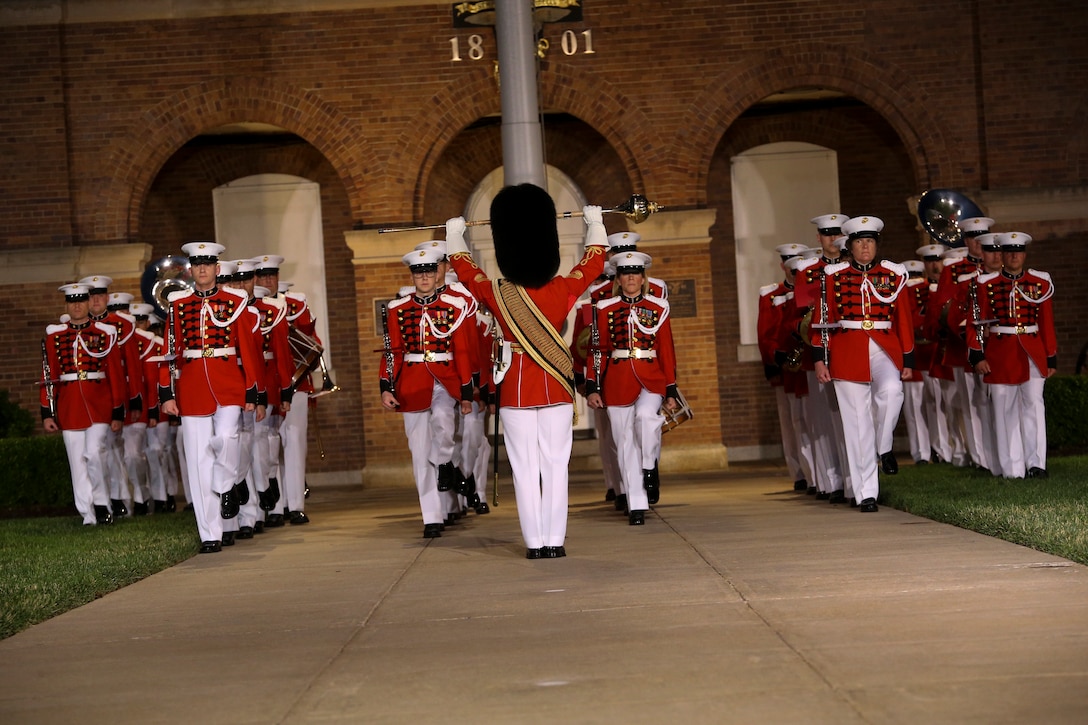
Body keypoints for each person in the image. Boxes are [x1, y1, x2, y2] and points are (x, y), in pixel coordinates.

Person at [445, 184, 608, 559]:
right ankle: (555, 541)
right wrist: (594, 225)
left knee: (524, 468)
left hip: (516, 385)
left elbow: (467, 273)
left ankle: (534, 543)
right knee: (555, 467)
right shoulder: (562, 289)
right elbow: (593, 265)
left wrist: (455, 235)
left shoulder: (498, 292)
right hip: (554, 385)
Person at [158, 242, 264, 553]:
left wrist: (253, 391)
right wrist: (166, 392)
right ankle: (210, 535)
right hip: (191, 387)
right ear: (191, 271)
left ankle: (226, 484)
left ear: (217, 270)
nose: (203, 269)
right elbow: (168, 351)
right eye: (197, 264)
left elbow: (248, 349)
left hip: (229, 383)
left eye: (208, 264)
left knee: (229, 437)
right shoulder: (177, 306)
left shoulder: (235, 301)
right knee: (198, 459)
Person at [813, 216, 914, 513]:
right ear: (851, 245)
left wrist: (908, 358)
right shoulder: (833, 274)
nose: (865, 246)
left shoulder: (894, 273)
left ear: (877, 244)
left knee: (893, 391)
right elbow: (824, 317)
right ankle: (866, 493)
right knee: (856, 425)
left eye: (869, 240)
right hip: (847, 347)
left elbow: (903, 318)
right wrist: (820, 358)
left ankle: (884, 447)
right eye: (859, 241)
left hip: (884, 345)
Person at [380, 247, 475, 538]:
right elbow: (392, 351)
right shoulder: (397, 309)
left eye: (429, 272)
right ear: (412, 276)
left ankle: (446, 462)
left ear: (438, 274)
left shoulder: (452, 306)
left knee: (445, 427)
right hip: (411, 382)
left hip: (445, 379)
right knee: (419, 452)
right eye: (418, 273)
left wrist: (467, 393)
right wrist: (386, 386)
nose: (424, 277)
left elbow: (461, 351)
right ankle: (431, 517)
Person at [585, 251, 679, 525]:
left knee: (647, 419)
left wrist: (671, 388)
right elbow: (597, 350)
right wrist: (593, 385)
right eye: (626, 274)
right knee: (624, 442)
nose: (631, 278)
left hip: (651, 376)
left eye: (636, 273)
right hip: (616, 379)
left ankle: (650, 467)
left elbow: (666, 349)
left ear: (643, 277)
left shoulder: (659, 307)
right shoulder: (604, 308)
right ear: (618, 278)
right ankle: (636, 503)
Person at [968, 232, 1056, 479]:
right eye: (1009, 252)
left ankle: (1036, 464)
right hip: (1000, 351)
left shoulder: (1040, 282)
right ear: (1003, 256)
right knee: (1004, 410)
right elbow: (975, 322)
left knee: (1034, 406)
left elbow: (1046, 322)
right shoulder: (987, 284)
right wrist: (977, 355)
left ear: (1024, 254)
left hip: (1032, 350)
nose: (1015, 256)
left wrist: (1051, 356)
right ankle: (1012, 469)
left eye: (1018, 251)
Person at [40, 284, 127, 525]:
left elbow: (116, 375)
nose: (77, 305)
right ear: (66, 305)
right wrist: (47, 411)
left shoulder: (105, 332)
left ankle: (100, 502)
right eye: (72, 301)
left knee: (94, 453)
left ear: (89, 303)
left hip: (99, 402)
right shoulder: (55, 336)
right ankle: (87, 513)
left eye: (81, 300)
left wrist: (118, 409)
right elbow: (49, 375)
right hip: (69, 404)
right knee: (77, 461)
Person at [793, 214, 850, 501]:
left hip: (850, 347)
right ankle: (832, 482)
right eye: (827, 234)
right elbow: (803, 311)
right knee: (823, 421)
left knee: (852, 418)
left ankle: (854, 481)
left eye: (837, 233)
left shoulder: (853, 267)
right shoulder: (807, 269)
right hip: (819, 349)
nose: (832, 239)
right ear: (819, 238)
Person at [571, 259, 625, 507]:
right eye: (597, 281)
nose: (599, 286)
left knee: (619, 435)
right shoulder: (586, 308)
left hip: (625, 372)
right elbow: (581, 346)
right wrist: (583, 380)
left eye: (604, 281)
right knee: (608, 436)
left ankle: (627, 483)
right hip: (602, 377)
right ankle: (615, 484)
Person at [757, 243, 811, 493]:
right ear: (783, 265)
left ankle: (812, 471)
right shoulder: (771, 294)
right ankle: (798, 472)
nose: (793, 269)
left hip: (806, 361)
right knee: (791, 421)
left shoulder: (808, 291)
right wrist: (774, 359)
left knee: (806, 419)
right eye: (788, 263)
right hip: (784, 366)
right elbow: (764, 332)